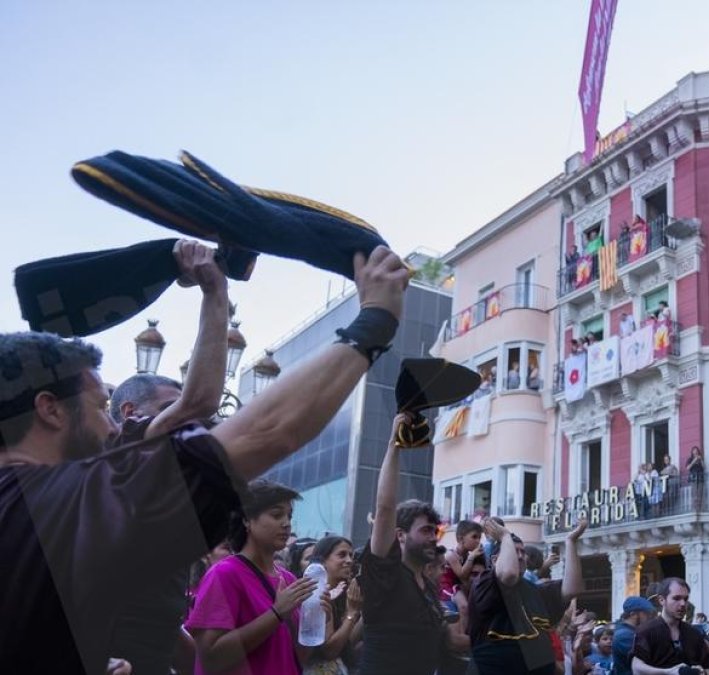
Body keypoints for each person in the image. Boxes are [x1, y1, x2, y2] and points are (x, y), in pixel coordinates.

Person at [0, 242, 409, 674]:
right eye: (101, 407)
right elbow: (269, 431)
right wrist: (374, 323)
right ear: (49, 409)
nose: (113, 428)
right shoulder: (70, 501)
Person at [107, 242, 233, 675]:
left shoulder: (164, 485)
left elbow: (154, 611)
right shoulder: (124, 453)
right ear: (132, 415)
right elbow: (201, 403)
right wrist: (215, 292)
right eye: (170, 408)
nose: (186, 422)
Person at [187, 480, 324, 674]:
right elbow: (210, 657)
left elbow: (298, 657)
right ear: (247, 519)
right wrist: (276, 613)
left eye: (289, 516)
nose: (286, 523)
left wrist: (317, 619)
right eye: (276, 515)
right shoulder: (225, 574)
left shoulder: (289, 579)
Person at [359, 414, 449, 675]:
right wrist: (394, 445)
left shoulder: (428, 586)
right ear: (399, 535)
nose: (433, 537)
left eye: (435, 531)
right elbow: (385, 507)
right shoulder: (385, 574)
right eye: (425, 531)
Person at [469, 515, 589, 675]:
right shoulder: (485, 582)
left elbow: (573, 589)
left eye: (522, 552)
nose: (519, 556)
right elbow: (508, 575)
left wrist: (570, 542)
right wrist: (505, 536)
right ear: (494, 560)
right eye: (514, 551)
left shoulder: (535, 590)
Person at [304, 535, 363, 675]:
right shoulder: (317, 593)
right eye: (342, 555)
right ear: (323, 561)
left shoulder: (345, 593)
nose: (349, 561)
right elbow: (330, 651)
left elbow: (347, 642)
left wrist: (362, 611)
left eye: (351, 555)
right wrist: (352, 613)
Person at [632, 577, 709, 674]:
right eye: (676, 598)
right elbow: (636, 667)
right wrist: (668, 672)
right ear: (661, 600)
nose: (683, 604)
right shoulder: (646, 631)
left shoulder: (694, 633)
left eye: (685, 599)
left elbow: (708, 668)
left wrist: (702, 672)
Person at [441, 520, 485, 599]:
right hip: (446, 589)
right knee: (464, 606)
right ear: (461, 539)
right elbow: (462, 575)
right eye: (474, 537)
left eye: (479, 538)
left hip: (458, 588)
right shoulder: (452, 555)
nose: (478, 541)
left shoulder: (467, 555)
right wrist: (471, 557)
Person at [613, 596, 657, 675]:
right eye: (646, 614)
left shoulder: (633, 632)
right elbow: (649, 659)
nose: (649, 617)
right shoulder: (624, 636)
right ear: (633, 614)